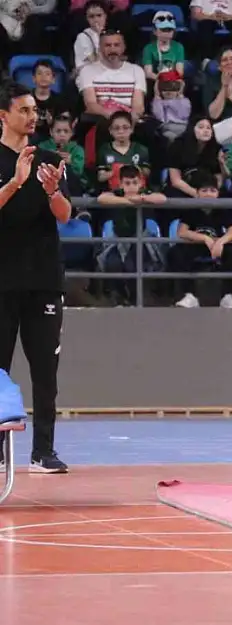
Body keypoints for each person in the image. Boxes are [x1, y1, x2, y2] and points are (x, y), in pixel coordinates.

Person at [0, 82, 73, 473]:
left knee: (45, 370)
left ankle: (43, 450)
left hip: (44, 278)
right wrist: (14, 182)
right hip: (2, 280)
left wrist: (50, 190)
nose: (32, 117)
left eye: (34, 111)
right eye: (24, 110)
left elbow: (64, 214)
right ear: (3, 115)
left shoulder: (49, 158)